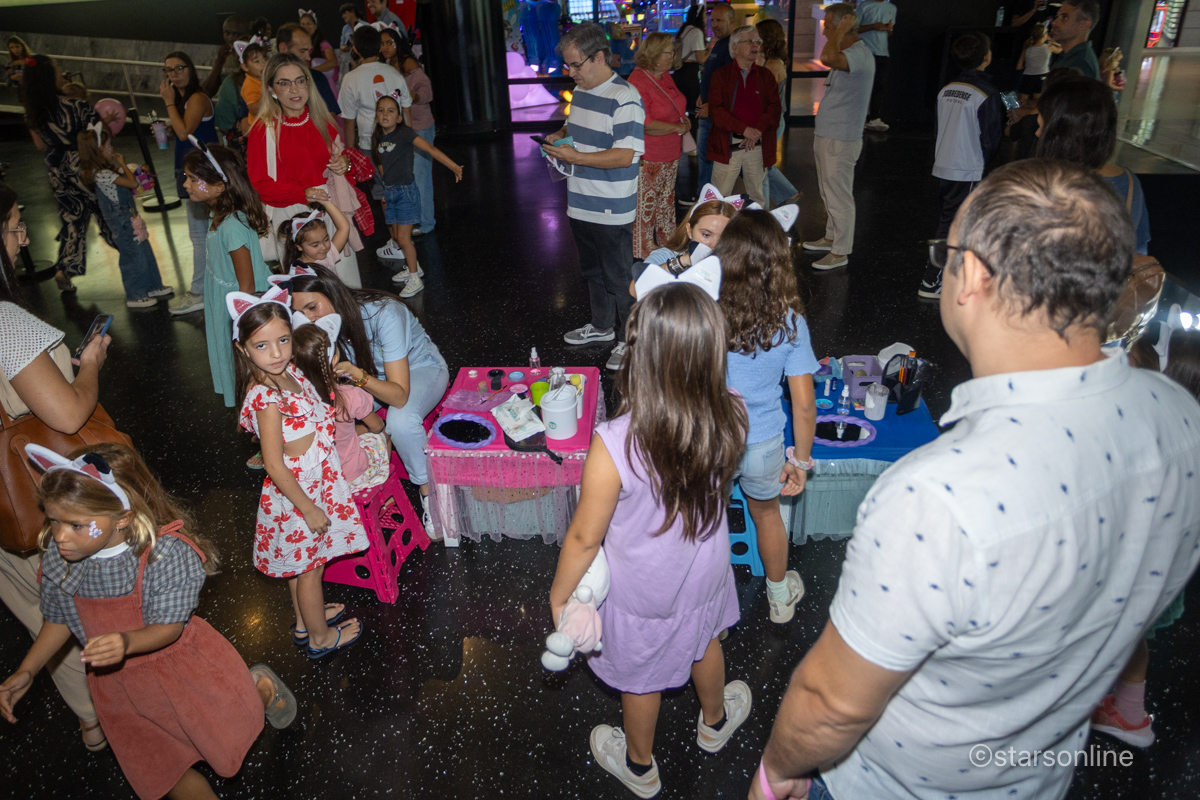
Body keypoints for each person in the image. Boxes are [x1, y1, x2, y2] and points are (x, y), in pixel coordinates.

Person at [748, 159, 1200, 800]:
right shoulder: (1181, 418)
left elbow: (832, 703)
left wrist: (778, 770)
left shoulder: (935, 497)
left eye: (948, 253)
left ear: (976, 277)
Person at [0, 442, 299, 799]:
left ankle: (260, 689)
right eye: (53, 520)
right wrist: (28, 669)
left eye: (77, 525)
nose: (60, 535)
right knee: (163, 770)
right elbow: (60, 618)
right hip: (118, 690)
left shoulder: (165, 554)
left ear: (122, 518)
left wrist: (126, 642)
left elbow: (170, 628)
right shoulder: (60, 557)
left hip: (182, 673)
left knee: (229, 728)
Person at [550, 282, 751, 798]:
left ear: (640, 356)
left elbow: (584, 537)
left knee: (642, 678)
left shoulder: (614, 444)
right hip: (705, 574)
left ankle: (639, 767)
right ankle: (715, 721)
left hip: (644, 593)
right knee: (704, 640)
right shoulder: (734, 411)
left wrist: (559, 596)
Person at [0, 183, 108, 753]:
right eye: (14, 226)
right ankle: (134, 708)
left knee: (33, 604)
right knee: (82, 598)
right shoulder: (6, 323)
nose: (23, 238)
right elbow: (67, 413)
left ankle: (90, 718)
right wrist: (88, 366)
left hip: (2, 514)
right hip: (36, 493)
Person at [232, 291, 368, 658]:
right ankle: (321, 638)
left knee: (299, 565)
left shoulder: (288, 372)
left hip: (315, 484)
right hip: (300, 494)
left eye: (283, 340)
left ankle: (305, 621)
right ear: (243, 349)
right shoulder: (266, 398)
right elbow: (273, 463)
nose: (276, 353)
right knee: (311, 570)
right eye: (262, 345)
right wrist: (308, 508)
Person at [1089, 326, 1199, 748]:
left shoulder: (1155, 438)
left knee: (1108, 635)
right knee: (1134, 639)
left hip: (1134, 568)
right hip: (1164, 569)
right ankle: (1131, 715)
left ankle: (1096, 709)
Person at [288, 263, 449, 528]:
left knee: (400, 422)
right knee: (323, 415)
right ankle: (357, 473)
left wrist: (357, 377)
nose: (309, 320)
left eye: (312, 307)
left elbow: (398, 396)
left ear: (332, 293)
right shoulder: (322, 328)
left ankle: (429, 491)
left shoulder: (385, 313)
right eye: (299, 314)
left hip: (420, 368)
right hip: (363, 377)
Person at [715, 210, 817, 624]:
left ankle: (712, 611)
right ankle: (779, 598)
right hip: (764, 444)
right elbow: (804, 405)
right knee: (767, 514)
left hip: (713, 441)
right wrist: (801, 461)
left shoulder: (706, 310)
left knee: (708, 524)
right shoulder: (791, 323)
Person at [542, 22, 645, 373]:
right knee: (593, 271)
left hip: (611, 205)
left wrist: (576, 157)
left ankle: (630, 340)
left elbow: (625, 155)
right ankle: (602, 327)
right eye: (568, 65)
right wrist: (560, 134)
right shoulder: (583, 90)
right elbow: (575, 128)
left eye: (576, 65)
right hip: (580, 199)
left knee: (619, 276)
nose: (571, 73)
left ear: (599, 57)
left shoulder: (625, 98)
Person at [247, 53, 362, 287]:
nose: (294, 89)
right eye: (284, 83)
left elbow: (343, 169)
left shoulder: (323, 121)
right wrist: (303, 194)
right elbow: (260, 185)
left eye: (300, 81)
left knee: (342, 286)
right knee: (307, 290)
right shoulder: (262, 130)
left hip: (330, 211)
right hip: (290, 218)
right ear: (271, 89)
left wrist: (344, 164)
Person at [183, 140, 274, 409]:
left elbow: (247, 284)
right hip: (222, 298)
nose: (186, 184)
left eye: (193, 179)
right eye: (187, 177)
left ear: (219, 186)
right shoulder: (217, 213)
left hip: (238, 304)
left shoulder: (232, 226)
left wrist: (240, 326)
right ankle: (249, 407)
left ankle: (257, 409)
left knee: (246, 362)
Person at [916, 32, 1003, 300]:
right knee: (953, 225)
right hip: (967, 170)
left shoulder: (946, 90)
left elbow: (938, 129)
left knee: (953, 221)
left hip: (944, 165)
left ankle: (952, 275)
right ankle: (931, 280)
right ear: (986, 57)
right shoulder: (986, 94)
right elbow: (990, 139)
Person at [20, 55, 114, 293]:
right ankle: (133, 253)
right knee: (107, 212)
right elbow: (99, 134)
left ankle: (65, 269)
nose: (61, 70)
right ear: (49, 75)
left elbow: (40, 145)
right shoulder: (75, 104)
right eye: (57, 67)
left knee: (72, 218)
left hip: (56, 168)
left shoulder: (32, 112)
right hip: (84, 164)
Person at [1035, 75, 1151, 255]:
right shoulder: (1129, 182)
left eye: (1042, 127)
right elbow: (1139, 250)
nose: (1037, 133)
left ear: (1061, 136)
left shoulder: (1042, 186)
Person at [801, 4, 873, 271]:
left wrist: (840, 31)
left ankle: (840, 251)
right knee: (827, 191)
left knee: (839, 196)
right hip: (830, 135)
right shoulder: (849, 53)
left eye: (829, 25)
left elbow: (827, 57)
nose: (824, 30)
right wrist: (838, 31)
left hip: (841, 139)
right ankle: (831, 237)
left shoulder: (859, 55)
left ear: (845, 25)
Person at [370, 93, 464, 296]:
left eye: (390, 111)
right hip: (392, 192)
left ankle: (415, 279)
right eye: (381, 110)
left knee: (404, 238)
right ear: (376, 116)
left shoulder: (405, 133)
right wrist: (386, 190)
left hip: (406, 193)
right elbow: (382, 167)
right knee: (396, 237)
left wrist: (454, 166)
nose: (385, 114)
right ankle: (415, 267)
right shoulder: (378, 139)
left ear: (399, 118)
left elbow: (429, 148)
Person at [76, 126, 173, 309]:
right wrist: (122, 163)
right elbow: (132, 183)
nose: (112, 149)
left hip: (132, 220)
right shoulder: (103, 175)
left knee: (145, 253)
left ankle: (154, 286)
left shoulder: (107, 172)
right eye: (108, 146)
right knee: (133, 258)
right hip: (123, 224)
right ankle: (135, 295)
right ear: (98, 151)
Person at [290, 317, 391, 492]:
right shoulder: (349, 395)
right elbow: (377, 426)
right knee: (385, 434)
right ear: (335, 359)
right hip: (352, 475)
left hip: (322, 481)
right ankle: (381, 487)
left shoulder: (294, 402)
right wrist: (365, 429)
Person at [160, 51, 219, 318]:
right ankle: (206, 288)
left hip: (202, 173)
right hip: (193, 171)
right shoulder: (186, 100)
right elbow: (183, 130)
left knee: (200, 235)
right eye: (168, 70)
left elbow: (185, 133)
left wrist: (168, 103)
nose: (173, 74)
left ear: (190, 69)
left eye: (179, 68)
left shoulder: (196, 98)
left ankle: (198, 293)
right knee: (204, 233)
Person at [627, 32, 690, 260]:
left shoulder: (664, 76)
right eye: (669, 52)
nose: (673, 56)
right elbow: (646, 124)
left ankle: (668, 243)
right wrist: (677, 127)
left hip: (670, 152)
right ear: (654, 55)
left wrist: (683, 122)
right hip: (650, 155)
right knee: (647, 205)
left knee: (665, 203)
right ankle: (643, 250)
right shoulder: (637, 81)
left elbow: (675, 104)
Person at [707, 26, 781, 208]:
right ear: (734, 47)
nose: (755, 45)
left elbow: (774, 108)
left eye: (758, 41)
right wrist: (744, 130)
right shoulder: (721, 76)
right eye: (749, 41)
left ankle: (757, 226)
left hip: (757, 145)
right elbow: (716, 111)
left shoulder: (766, 76)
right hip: (728, 145)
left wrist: (756, 131)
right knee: (718, 197)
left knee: (757, 196)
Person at [630, 191, 738, 294]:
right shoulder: (667, 255)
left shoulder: (737, 263)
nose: (714, 244)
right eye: (706, 235)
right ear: (689, 231)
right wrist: (683, 261)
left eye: (723, 237)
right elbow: (635, 290)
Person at [339, 25, 411, 154]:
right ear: (379, 48)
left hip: (369, 145)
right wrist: (410, 142)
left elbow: (349, 121)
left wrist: (350, 153)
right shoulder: (394, 72)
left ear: (355, 49)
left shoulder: (350, 78)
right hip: (397, 142)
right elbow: (406, 109)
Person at [757, 19, 801, 208]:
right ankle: (789, 194)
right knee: (762, 164)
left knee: (760, 167)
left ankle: (763, 211)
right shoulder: (772, 62)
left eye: (758, 37)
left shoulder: (772, 66)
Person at [694, 3, 736, 196]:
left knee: (709, 159)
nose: (715, 24)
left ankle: (706, 198)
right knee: (706, 158)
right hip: (709, 111)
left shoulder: (731, 46)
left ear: (731, 21)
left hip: (716, 114)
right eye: (713, 20)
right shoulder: (719, 43)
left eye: (719, 20)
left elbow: (731, 82)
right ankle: (706, 197)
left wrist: (711, 104)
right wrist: (703, 94)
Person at [399, 49, 439, 237]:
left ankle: (426, 222)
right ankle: (419, 219)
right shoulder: (389, 67)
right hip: (404, 130)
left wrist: (413, 96)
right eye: (382, 43)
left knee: (421, 176)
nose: (384, 47)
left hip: (420, 129)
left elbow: (426, 92)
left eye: (389, 42)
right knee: (413, 176)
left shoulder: (411, 66)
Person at [277, 23, 343, 119]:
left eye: (309, 51)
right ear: (283, 48)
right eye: (302, 51)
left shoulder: (317, 78)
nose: (308, 58)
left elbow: (330, 119)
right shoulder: (268, 82)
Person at [278, 201, 353, 276]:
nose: (324, 247)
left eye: (326, 240)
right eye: (315, 245)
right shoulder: (300, 272)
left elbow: (344, 228)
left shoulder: (328, 255)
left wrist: (326, 202)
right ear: (299, 247)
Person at [855, 0, 896, 132]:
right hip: (865, 51)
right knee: (862, 86)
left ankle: (874, 118)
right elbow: (855, 29)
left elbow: (889, 33)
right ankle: (858, 118)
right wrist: (872, 26)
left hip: (883, 52)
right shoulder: (864, 5)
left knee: (879, 86)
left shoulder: (892, 8)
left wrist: (888, 28)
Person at [673, 5, 707, 126]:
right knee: (694, 107)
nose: (707, 18)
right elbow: (701, 58)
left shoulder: (684, 30)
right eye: (705, 15)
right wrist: (710, 51)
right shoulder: (696, 32)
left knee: (682, 107)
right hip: (690, 73)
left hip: (679, 71)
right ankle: (692, 131)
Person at [1050, 0, 1100, 80]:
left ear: (1084, 25)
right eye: (1057, 16)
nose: (1054, 22)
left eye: (1064, 17)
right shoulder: (1068, 56)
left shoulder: (1081, 65)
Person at [1017, 22, 1058, 104]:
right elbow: (1061, 49)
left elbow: (1019, 66)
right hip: (1042, 76)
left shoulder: (1027, 48)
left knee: (1023, 101)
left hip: (1027, 76)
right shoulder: (1049, 47)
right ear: (1044, 35)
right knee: (1038, 101)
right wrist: (1051, 40)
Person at [300, 11, 340, 95]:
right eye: (303, 24)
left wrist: (311, 71)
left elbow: (333, 62)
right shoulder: (299, 48)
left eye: (308, 23)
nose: (305, 26)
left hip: (325, 87)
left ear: (315, 26)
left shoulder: (323, 44)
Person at [237, 39, 268, 119]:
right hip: (259, 124)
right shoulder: (250, 85)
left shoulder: (262, 80)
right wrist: (268, 93)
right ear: (245, 67)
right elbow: (254, 110)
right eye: (257, 61)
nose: (263, 64)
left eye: (264, 59)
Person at [339, 3, 366, 78]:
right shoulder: (345, 28)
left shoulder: (365, 26)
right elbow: (341, 45)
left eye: (345, 13)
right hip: (351, 62)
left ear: (352, 12)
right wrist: (345, 48)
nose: (343, 16)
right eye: (342, 14)